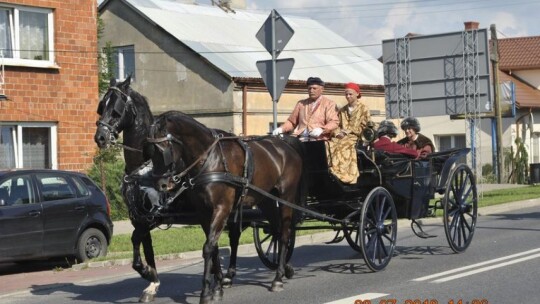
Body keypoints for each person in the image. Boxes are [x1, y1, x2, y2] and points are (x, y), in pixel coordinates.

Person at [326, 82, 371, 184]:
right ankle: (331, 169)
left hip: (356, 137)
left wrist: (350, 130)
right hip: (341, 136)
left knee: (343, 145)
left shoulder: (364, 109)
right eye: (346, 94)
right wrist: (337, 133)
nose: (348, 96)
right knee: (328, 144)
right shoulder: (342, 110)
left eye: (350, 94)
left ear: (357, 94)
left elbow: (366, 128)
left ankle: (343, 174)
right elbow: (337, 125)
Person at [272, 77, 339, 140]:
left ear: (322, 90)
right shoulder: (301, 104)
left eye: (314, 88)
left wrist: (322, 129)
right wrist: (281, 129)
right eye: (309, 88)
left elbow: (334, 122)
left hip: (319, 139)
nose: (311, 91)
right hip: (301, 139)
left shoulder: (329, 104)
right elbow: (292, 122)